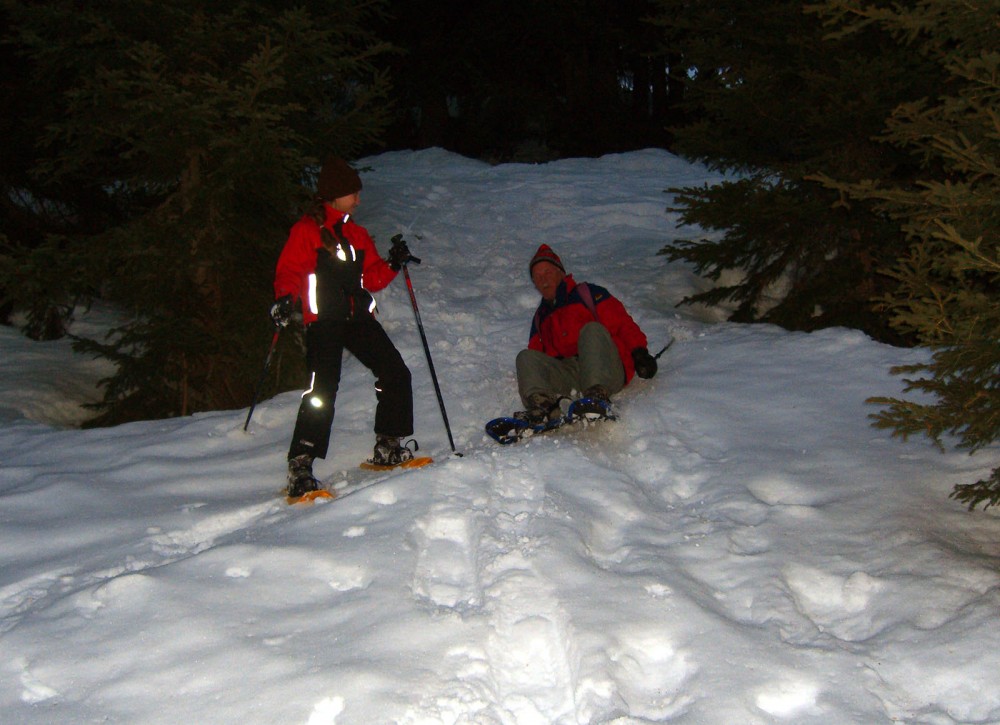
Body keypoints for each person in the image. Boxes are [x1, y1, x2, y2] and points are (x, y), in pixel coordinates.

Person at [270, 157, 416, 496]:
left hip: (357, 318)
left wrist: (393, 262)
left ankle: (388, 445)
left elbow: (374, 277)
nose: (358, 200)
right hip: (324, 320)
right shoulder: (307, 230)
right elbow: (289, 271)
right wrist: (284, 298)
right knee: (322, 391)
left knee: (395, 372)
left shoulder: (356, 233)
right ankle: (301, 463)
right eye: (353, 193)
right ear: (334, 195)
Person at [515, 244, 658, 423]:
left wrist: (639, 353)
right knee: (525, 357)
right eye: (537, 277)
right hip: (573, 376)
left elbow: (622, 323)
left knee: (591, 330)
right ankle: (543, 408)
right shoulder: (540, 318)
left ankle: (597, 396)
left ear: (561, 273)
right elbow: (537, 360)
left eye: (548, 273)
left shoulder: (588, 294)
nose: (543, 280)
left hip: (605, 368)